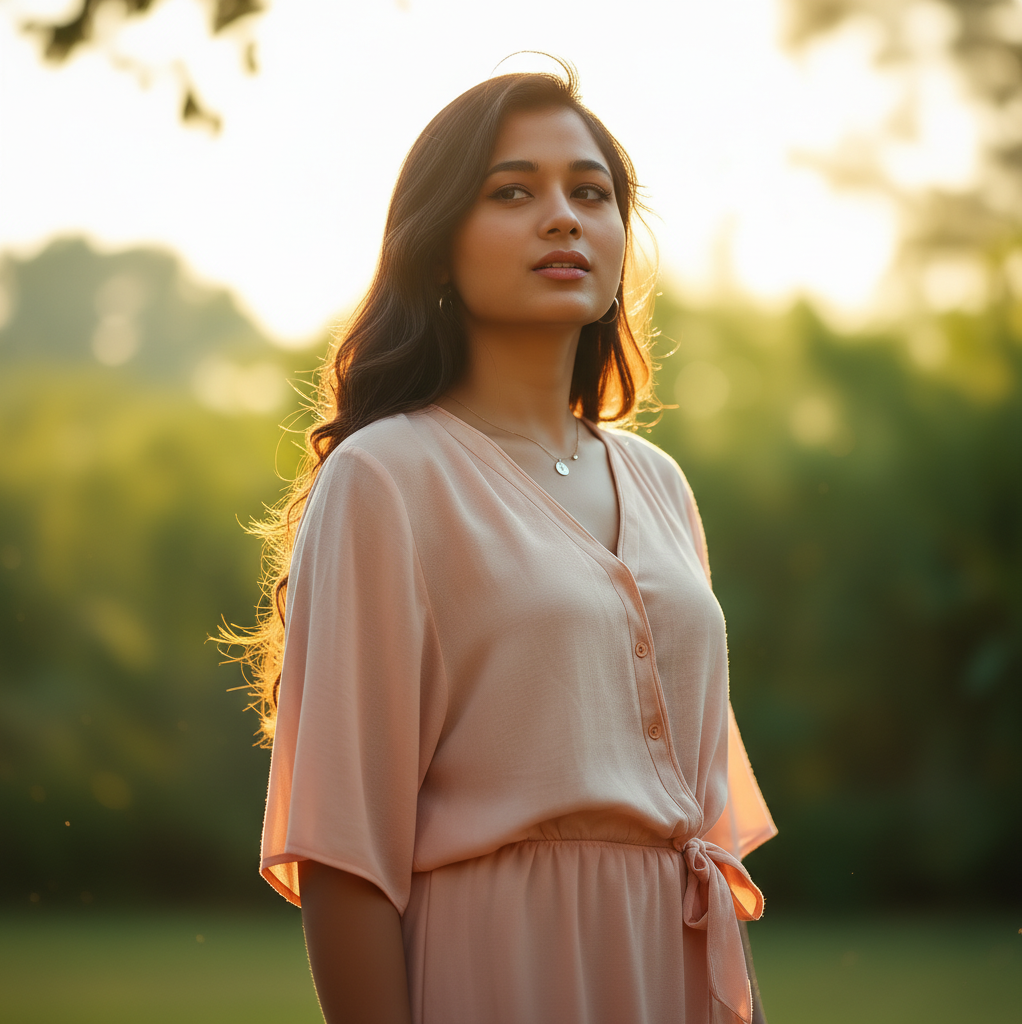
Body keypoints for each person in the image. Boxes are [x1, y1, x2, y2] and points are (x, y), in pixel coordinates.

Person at [240, 64, 777, 1024]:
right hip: (499, 970)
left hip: (671, 970)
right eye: (513, 191)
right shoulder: (386, 477)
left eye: (591, 192)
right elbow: (343, 851)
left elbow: (706, 824)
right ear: (438, 247)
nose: (563, 217)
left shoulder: (660, 484)